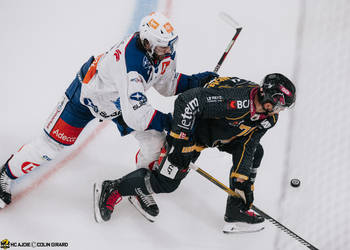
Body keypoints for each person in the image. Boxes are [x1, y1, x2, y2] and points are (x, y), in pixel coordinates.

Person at [0, 12, 218, 211]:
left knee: (155, 142)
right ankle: (6, 174)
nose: (169, 51)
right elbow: (137, 115)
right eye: (164, 47)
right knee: (49, 147)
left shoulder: (161, 52)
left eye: (171, 45)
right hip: (86, 99)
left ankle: (138, 187)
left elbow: (167, 84)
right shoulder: (130, 65)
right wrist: (172, 122)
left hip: (119, 104)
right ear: (148, 43)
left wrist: (197, 81)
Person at [93, 73, 296, 233]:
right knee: (166, 183)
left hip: (221, 133)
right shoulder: (237, 102)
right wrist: (182, 140)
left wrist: (242, 180)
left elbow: (249, 144)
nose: (282, 110)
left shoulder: (269, 118)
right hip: (191, 132)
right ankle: (113, 188)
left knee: (255, 153)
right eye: (281, 106)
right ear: (270, 100)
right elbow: (187, 101)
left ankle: (236, 209)